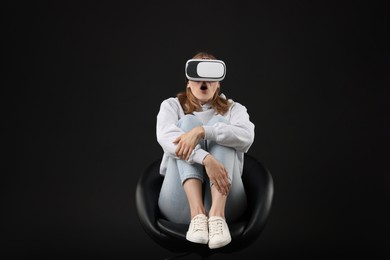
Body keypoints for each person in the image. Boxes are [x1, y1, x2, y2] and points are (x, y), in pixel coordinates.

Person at [156, 51, 255, 249]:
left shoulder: (234, 109)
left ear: (218, 83)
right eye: (197, 75)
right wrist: (206, 159)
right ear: (188, 82)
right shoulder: (171, 106)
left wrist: (204, 131)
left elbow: (247, 137)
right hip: (178, 203)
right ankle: (197, 215)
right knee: (188, 122)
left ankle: (217, 217)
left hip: (228, 204)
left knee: (220, 124)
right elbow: (166, 138)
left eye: (211, 77)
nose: (204, 82)